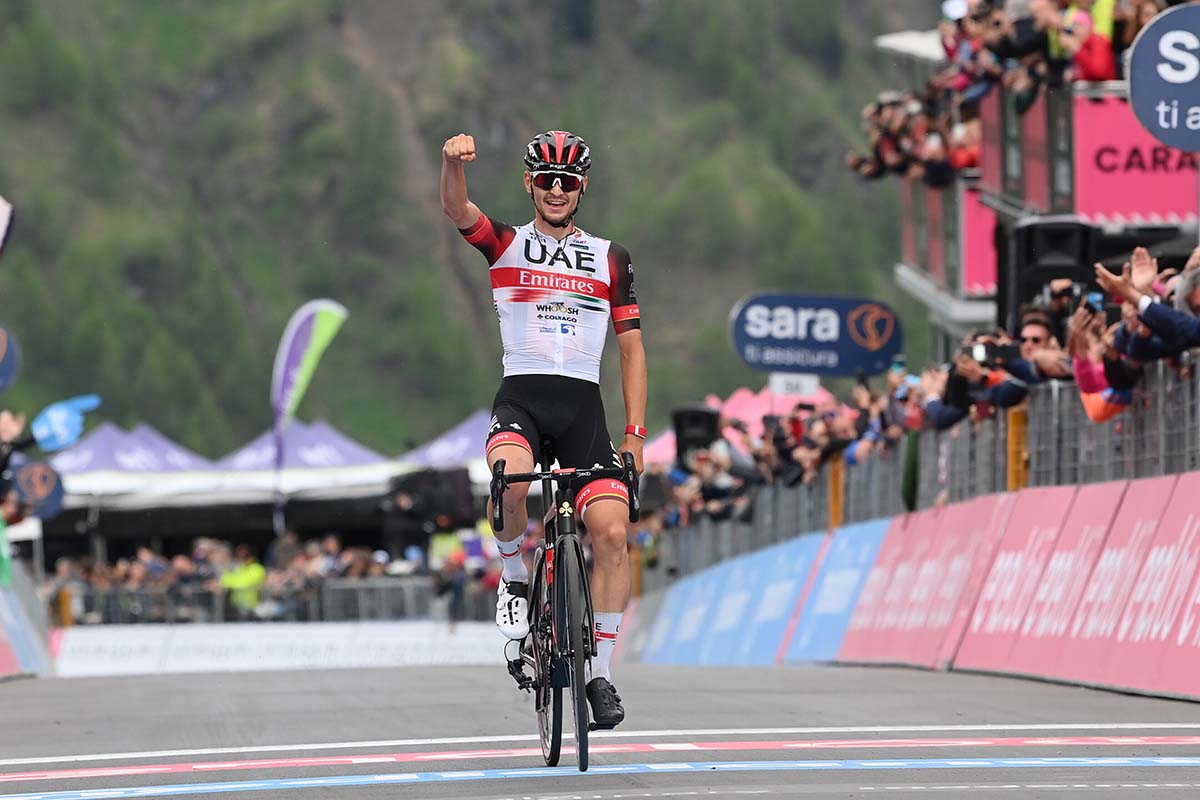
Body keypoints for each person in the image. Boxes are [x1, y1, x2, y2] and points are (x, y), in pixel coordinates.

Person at [441, 130, 647, 728]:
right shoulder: (507, 243)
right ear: (530, 183)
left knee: (611, 535)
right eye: (546, 181)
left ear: (581, 189)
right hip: (523, 402)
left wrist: (634, 435)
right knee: (507, 478)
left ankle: (601, 675)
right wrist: (452, 165)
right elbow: (458, 210)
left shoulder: (612, 258)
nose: (557, 191)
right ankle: (512, 579)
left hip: (585, 413)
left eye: (569, 182)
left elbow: (632, 350)